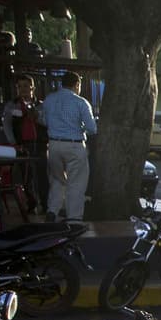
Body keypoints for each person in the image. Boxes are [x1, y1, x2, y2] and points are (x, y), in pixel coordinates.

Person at [39, 70, 97, 222]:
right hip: (74, 145)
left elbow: (43, 121)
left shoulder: (49, 99)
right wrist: (80, 127)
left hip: (53, 144)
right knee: (76, 183)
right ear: (77, 84)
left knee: (56, 179)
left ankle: (52, 210)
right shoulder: (81, 102)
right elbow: (92, 129)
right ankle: (74, 218)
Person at [1, 73, 47, 214]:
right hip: (22, 144)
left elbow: (46, 122)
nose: (23, 89)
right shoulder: (11, 105)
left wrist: (36, 116)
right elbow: (7, 125)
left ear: (32, 88)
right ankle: (31, 203)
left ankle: (45, 204)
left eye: (26, 86)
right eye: (20, 86)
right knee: (26, 176)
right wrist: (13, 143)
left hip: (39, 144)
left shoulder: (40, 105)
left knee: (42, 175)